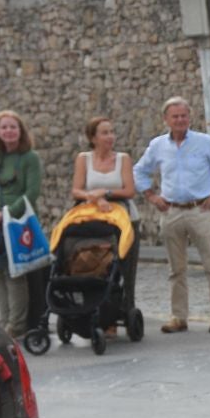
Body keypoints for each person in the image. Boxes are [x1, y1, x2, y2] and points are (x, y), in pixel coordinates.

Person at [133, 96, 210, 333]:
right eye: (175, 116)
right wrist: (152, 196)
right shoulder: (158, 146)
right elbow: (139, 171)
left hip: (199, 210)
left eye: (184, 116)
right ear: (166, 119)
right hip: (171, 211)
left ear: (190, 118)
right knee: (176, 269)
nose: (180, 120)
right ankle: (178, 317)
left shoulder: (204, 142)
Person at [71, 116, 140, 331]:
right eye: (105, 133)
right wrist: (93, 197)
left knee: (125, 267)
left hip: (123, 218)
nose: (110, 137)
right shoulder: (84, 159)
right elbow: (76, 189)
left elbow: (129, 190)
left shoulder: (123, 159)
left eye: (112, 132)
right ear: (93, 138)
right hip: (95, 217)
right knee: (96, 264)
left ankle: (125, 307)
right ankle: (95, 310)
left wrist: (107, 193)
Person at [0, 110, 42, 338]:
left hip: (17, 223)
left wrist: (5, 213)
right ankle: (4, 319)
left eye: (12, 127)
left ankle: (16, 324)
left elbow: (31, 193)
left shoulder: (29, 158)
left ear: (20, 130)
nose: (8, 131)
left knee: (15, 274)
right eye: (3, 127)